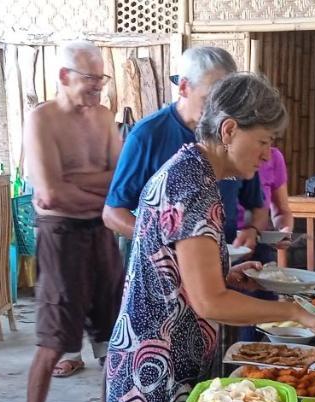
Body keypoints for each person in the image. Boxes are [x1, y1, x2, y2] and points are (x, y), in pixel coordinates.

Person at [103, 72, 315, 402]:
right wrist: (293, 315)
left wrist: (230, 272)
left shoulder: (194, 174)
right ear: (229, 130)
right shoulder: (193, 185)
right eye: (264, 142)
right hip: (153, 367)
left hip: (162, 357)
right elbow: (208, 302)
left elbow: (185, 274)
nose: (268, 158)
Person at [20, 40, 123, 402]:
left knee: (114, 340)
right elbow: (49, 192)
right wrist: (95, 190)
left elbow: (122, 182)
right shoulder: (42, 119)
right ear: (64, 76)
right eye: (89, 80)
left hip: (101, 233)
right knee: (53, 341)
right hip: (60, 234)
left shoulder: (103, 118)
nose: (97, 89)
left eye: (101, 80)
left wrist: (80, 183)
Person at [102, 46, 271, 252]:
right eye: (210, 99)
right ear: (183, 87)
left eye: (227, 101)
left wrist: (252, 230)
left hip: (225, 260)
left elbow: (257, 205)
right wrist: (169, 243)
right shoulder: (147, 135)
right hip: (163, 267)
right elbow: (112, 213)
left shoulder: (231, 134)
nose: (219, 110)